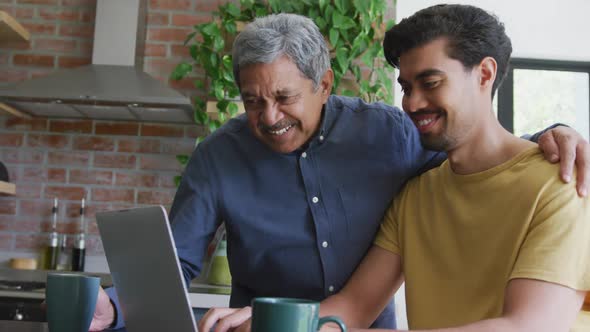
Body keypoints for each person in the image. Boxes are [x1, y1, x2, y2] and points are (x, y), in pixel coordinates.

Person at [91, 13, 590, 332]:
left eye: (284, 97)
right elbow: (349, 307)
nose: (268, 116)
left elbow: (485, 157)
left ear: (324, 84)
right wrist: (113, 306)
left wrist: (554, 134)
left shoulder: (394, 135)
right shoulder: (221, 156)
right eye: (252, 101)